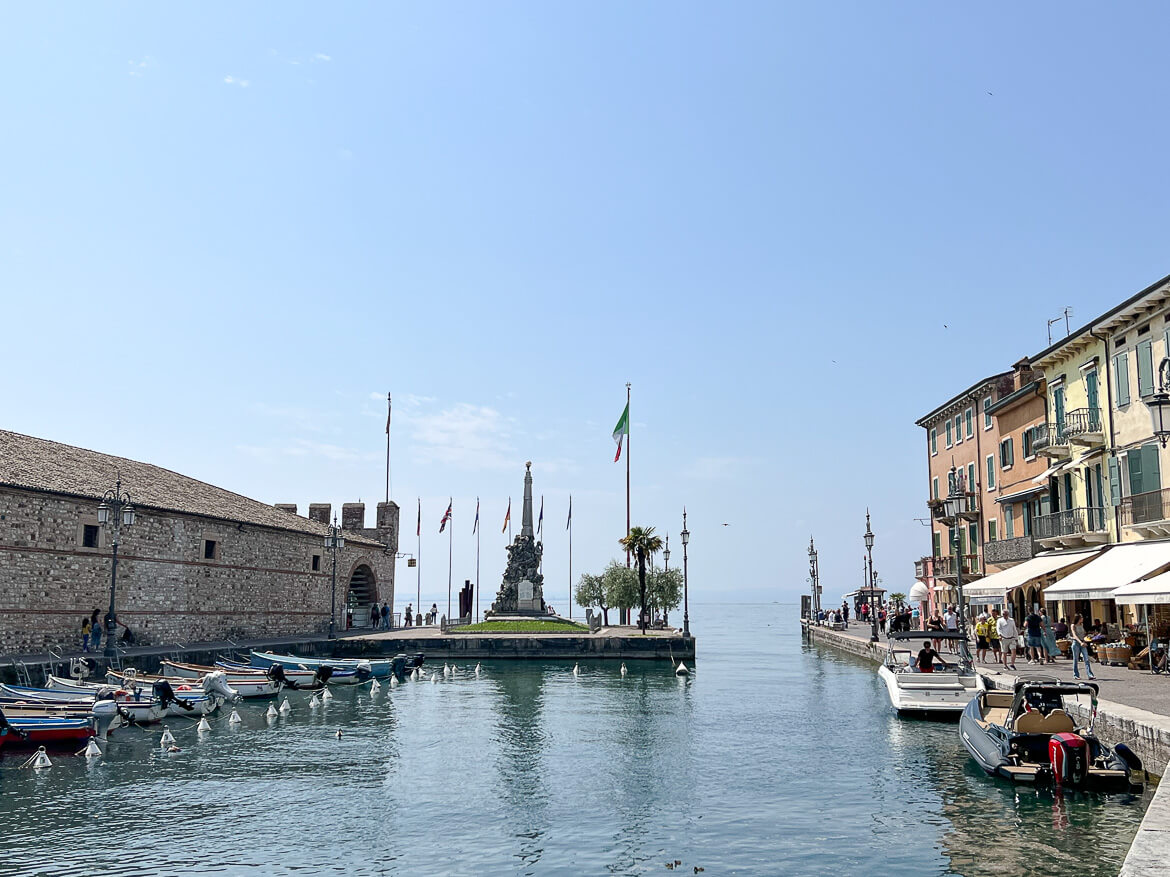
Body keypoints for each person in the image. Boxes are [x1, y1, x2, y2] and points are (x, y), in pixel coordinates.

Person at [1070, 613, 1097, 680]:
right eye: (1081, 617)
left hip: (1083, 642)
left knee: (1086, 659)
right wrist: (1080, 642)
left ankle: (1090, 675)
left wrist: (1087, 638)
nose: (1083, 618)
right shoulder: (1073, 625)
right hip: (1076, 643)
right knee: (1076, 659)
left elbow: (1084, 633)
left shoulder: (1081, 625)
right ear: (1078, 618)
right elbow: (1074, 635)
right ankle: (1076, 675)